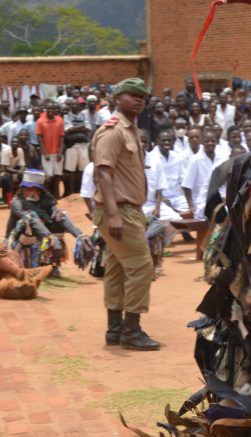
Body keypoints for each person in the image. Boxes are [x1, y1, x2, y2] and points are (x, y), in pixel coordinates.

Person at [91, 77, 160, 351]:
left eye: (142, 96)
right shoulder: (113, 131)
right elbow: (104, 172)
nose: (139, 99)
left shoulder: (130, 129)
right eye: (132, 95)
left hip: (127, 210)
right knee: (142, 267)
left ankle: (115, 329)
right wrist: (114, 215)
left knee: (118, 269)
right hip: (118, 211)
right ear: (118, 98)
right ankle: (131, 330)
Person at [5, 169, 85, 279]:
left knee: (60, 215)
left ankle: (78, 241)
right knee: (30, 217)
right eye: (29, 190)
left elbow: (56, 212)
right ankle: (29, 266)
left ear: (41, 191)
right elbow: (30, 219)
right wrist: (49, 237)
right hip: (18, 239)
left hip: (42, 236)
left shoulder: (46, 201)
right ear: (23, 190)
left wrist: (78, 235)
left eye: (35, 190)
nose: (32, 193)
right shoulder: (16, 202)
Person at [182, 129, 228, 219]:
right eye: (207, 141)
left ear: (216, 142)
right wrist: (191, 206)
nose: (210, 143)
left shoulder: (223, 158)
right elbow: (186, 186)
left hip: (223, 199)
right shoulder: (195, 160)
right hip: (202, 201)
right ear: (202, 142)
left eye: (212, 141)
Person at [36, 101, 65, 198]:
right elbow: (39, 138)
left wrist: (60, 151)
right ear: (46, 110)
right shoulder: (40, 121)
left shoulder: (59, 120)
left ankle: (57, 194)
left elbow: (62, 137)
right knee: (48, 176)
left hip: (57, 152)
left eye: (53, 109)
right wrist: (45, 152)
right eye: (49, 109)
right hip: (46, 153)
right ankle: (47, 195)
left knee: (57, 175)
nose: (51, 111)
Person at [64, 99, 92, 196]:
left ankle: (81, 189)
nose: (75, 106)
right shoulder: (66, 116)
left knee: (83, 169)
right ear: (70, 106)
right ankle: (71, 191)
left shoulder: (83, 115)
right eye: (73, 104)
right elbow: (68, 129)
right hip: (72, 145)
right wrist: (81, 126)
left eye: (77, 104)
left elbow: (88, 128)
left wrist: (75, 128)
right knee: (71, 169)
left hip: (83, 145)